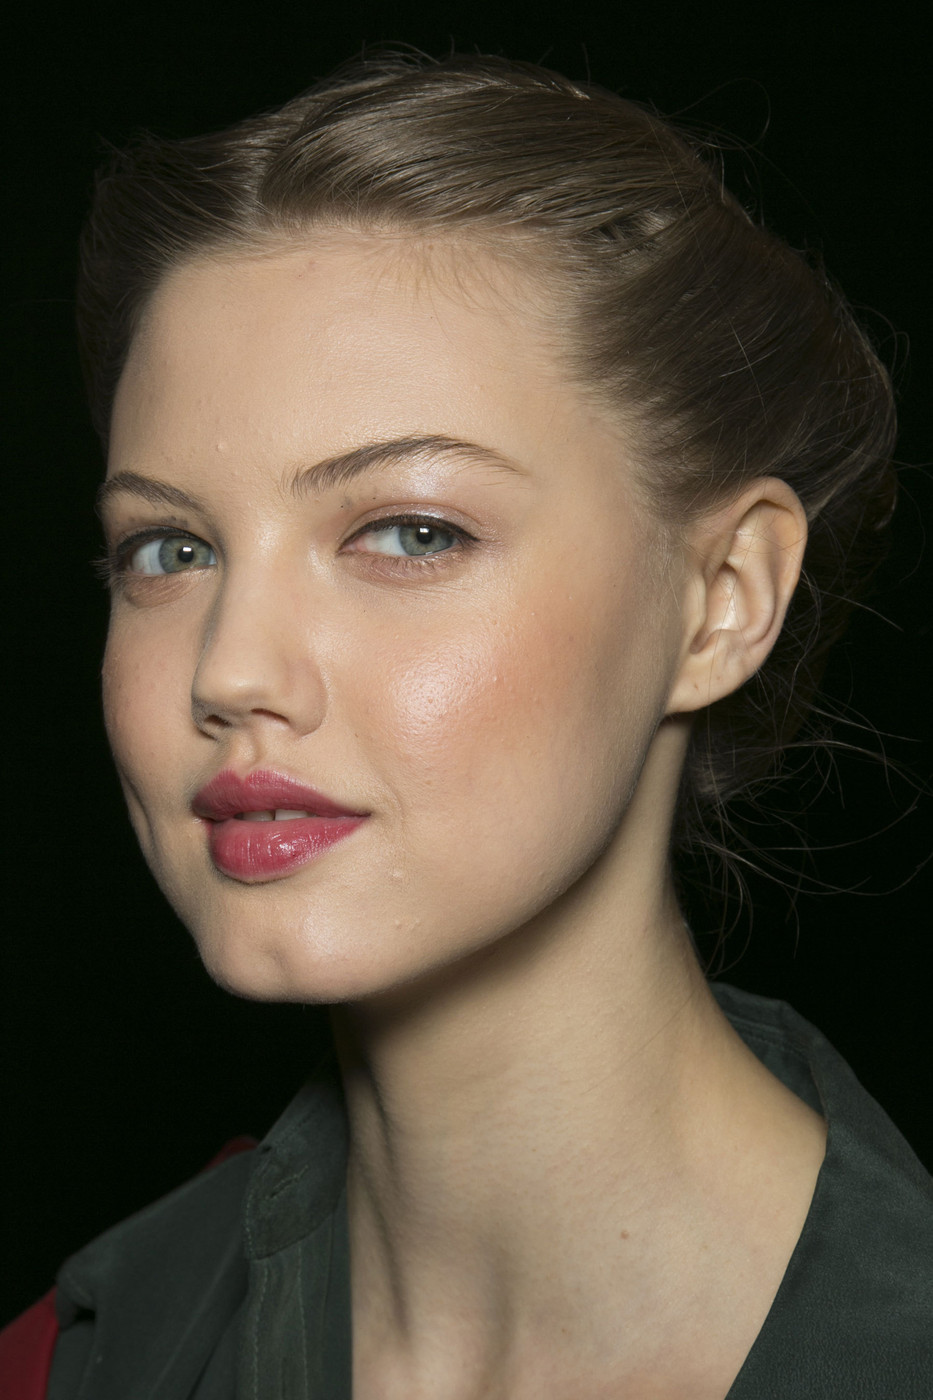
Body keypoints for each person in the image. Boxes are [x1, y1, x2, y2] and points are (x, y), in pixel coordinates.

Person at [2, 48, 931, 1400]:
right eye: (170, 551)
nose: (231, 669)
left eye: (411, 532)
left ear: (720, 600)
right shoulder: (77, 1358)